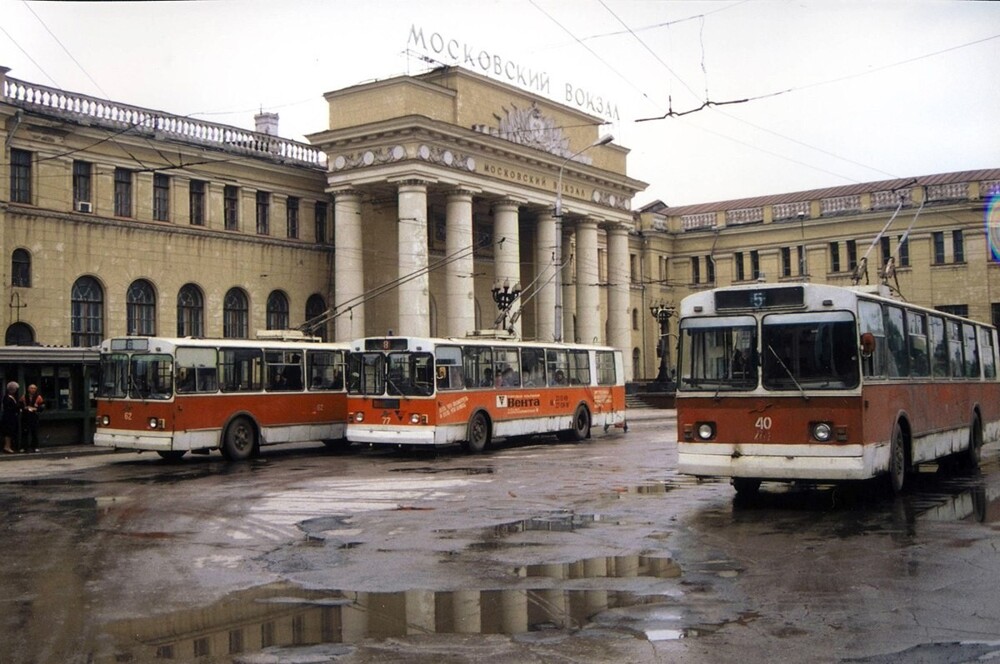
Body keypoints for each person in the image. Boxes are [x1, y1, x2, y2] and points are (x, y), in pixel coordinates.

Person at [19, 384, 44, 453]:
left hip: (34, 416)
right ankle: (24, 447)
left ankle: (35, 447)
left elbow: (42, 407)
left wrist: (36, 409)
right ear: (28, 389)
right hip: (25, 416)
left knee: (34, 432)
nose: (33, 390)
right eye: (31, 388)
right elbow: (20, 405)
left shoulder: (38, 397)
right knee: (24, 432)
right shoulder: (24, 396)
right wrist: (24, 408)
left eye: (34, 388)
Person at [2, 381, 21, 454]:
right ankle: (7, 446)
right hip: (8, 417)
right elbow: (10, 407)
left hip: (11, 417)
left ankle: (8, 446)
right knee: (8, 432)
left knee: (10, 432)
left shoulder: (11, 397)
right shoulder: (7, 398)